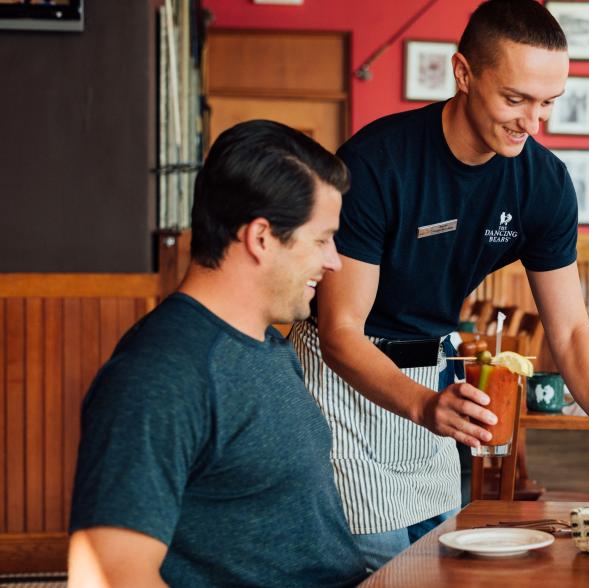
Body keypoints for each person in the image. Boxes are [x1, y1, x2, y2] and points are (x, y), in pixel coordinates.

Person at [288, 0, 589, 569]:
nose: (531, 122)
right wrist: (424, 406)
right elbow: (342, 330)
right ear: (463, 73)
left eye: (547, 103)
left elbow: (568, 331)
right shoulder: (378, 162)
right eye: (515, 99)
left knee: (439, 559)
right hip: (346, 383)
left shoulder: (543, 184)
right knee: (382, 562)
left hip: (433, 379)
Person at [67, 120, 368, 587]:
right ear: (261, 237)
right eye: (322, 239)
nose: (334, 261)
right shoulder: (161, 375)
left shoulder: (264, 343)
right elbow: (105, 576)